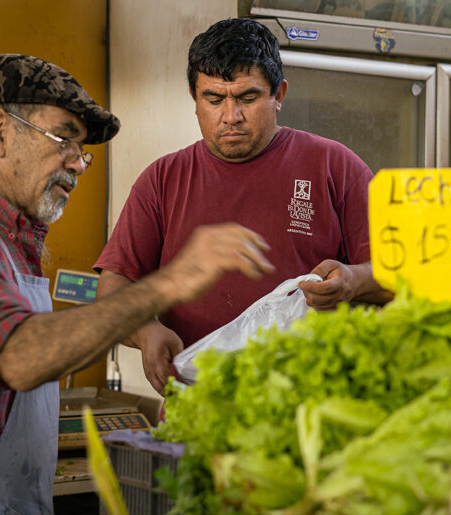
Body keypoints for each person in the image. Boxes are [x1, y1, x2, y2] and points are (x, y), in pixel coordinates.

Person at [0, 53, 275, 514]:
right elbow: (18, 356)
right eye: (64, 139)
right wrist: (168, 285)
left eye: (82, 151)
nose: (78, 164)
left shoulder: (12, 239)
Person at [94, 18, 393, 395]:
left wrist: (353, 281)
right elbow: (113, 288)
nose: (230, 116)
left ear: (279, 94)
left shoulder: (335, 167)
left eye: (247, 98)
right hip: (199, 401)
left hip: (311, 403)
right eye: (214, 99)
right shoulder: (162, 180)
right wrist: (145, 331)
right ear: (194, 97)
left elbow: (401, 277)